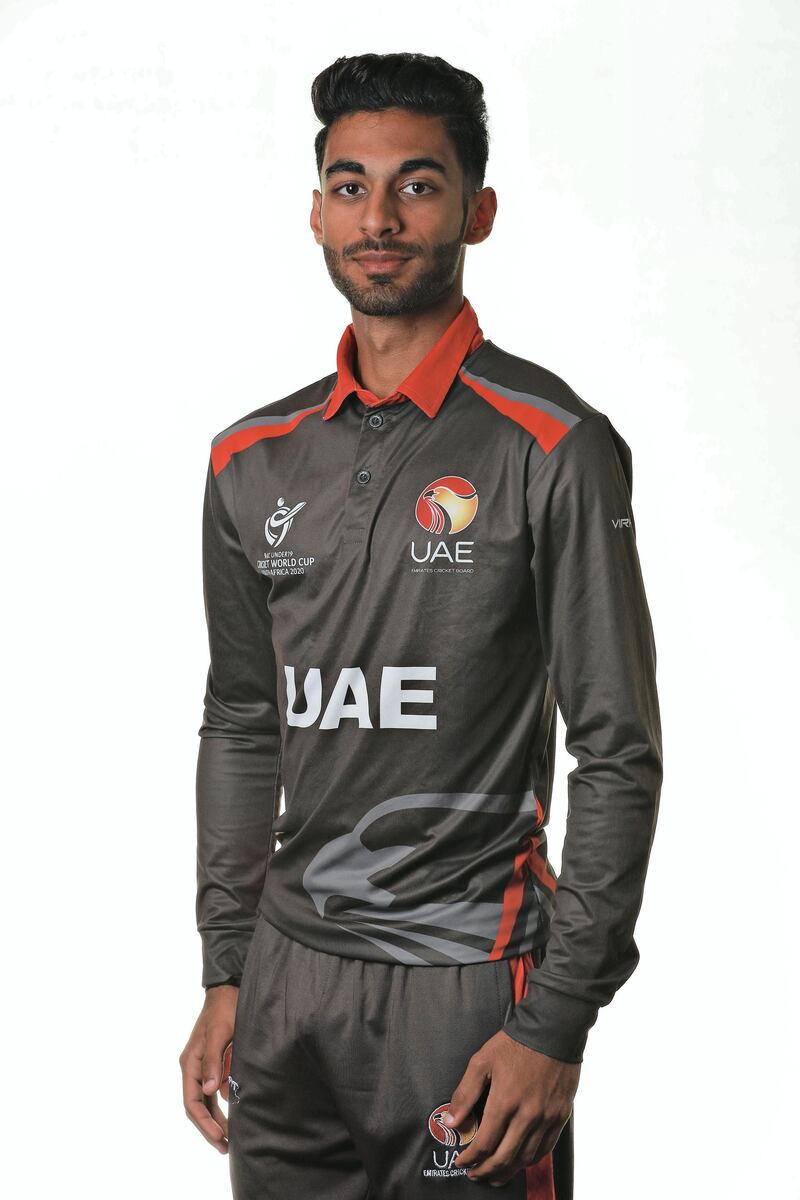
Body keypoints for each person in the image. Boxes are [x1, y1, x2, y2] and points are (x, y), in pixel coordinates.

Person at [178, 51, 663, 1200]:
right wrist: (227, 968)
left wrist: (555, 1020)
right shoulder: (250, 460)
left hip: (465, 991)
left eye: (417, 184)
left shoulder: (549, 443)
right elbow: (244, 722)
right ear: (314, 214)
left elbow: (617, 749)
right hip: (289, 984)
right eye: (350, 186)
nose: (379, 217)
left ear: (475, 211)